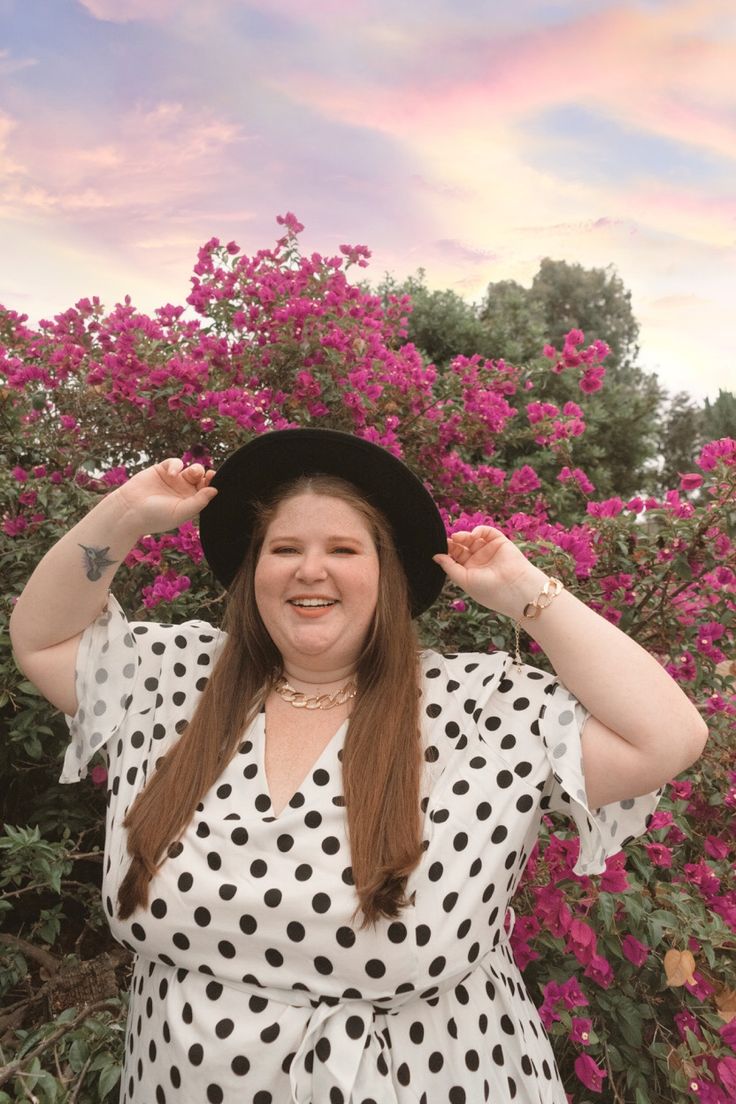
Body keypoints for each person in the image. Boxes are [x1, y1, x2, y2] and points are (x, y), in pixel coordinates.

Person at [9, 427, 707, 1104]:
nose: (310, 569)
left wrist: (525, 594)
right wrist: (127, 512)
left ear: (388, 575)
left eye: (343, 548)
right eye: (284, 548)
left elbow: (668, 737)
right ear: (255, 572)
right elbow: (42, 639)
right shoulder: (175, 678)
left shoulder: (484, 708)